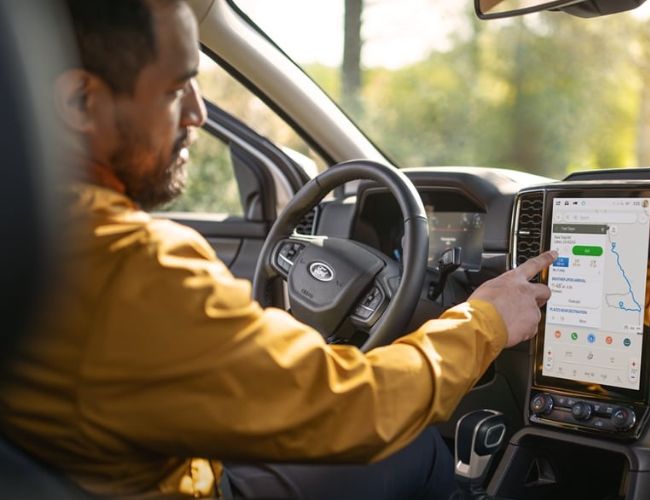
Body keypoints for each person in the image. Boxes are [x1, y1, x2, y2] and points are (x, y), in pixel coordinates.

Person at [0, 0, 555, 498]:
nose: (198, 113)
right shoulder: (130, 264)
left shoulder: (45, 235)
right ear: (79, 101)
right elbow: (355, 408)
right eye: (174, 90)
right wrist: (484, 321)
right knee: (418, 451)